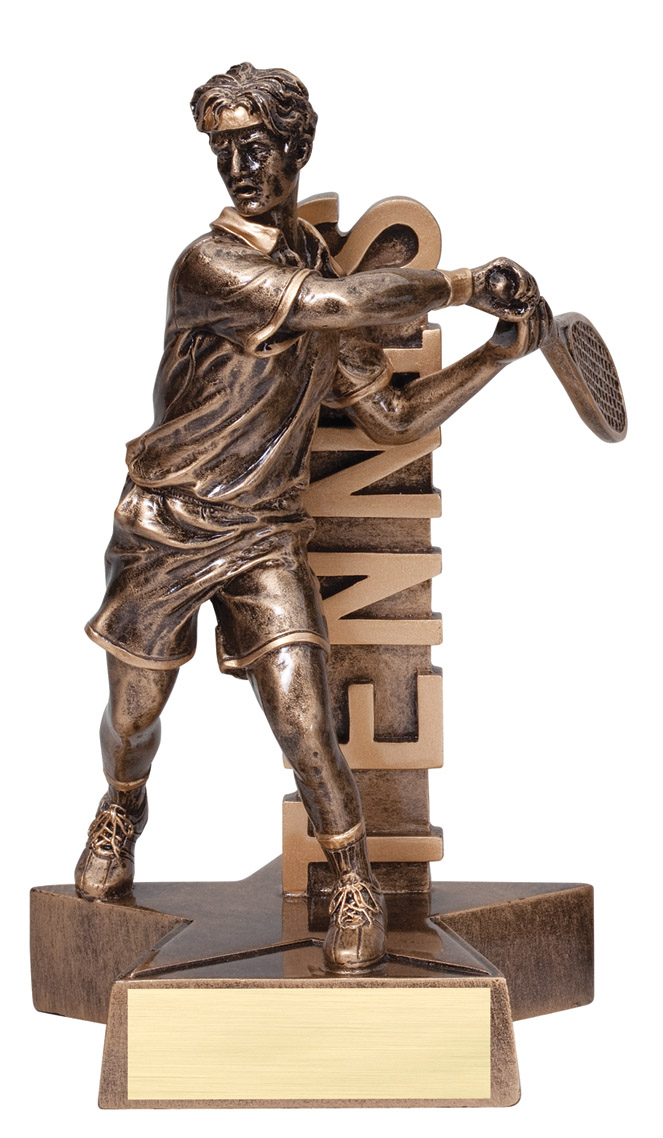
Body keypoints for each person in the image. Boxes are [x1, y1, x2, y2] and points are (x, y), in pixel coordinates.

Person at [75, 63, 551, 970]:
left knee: (305, 720)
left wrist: (496, 354)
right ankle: (121, 807)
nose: (239, 168)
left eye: (256, 147)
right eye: (224, 151)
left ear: (297, 148)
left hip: (262, 536)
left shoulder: (314, 274)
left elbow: (391, 419)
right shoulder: (210, 265)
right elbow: (335, 307)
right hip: (166, 527)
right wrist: (461, 284)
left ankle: (353, 881)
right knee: (133, 716)